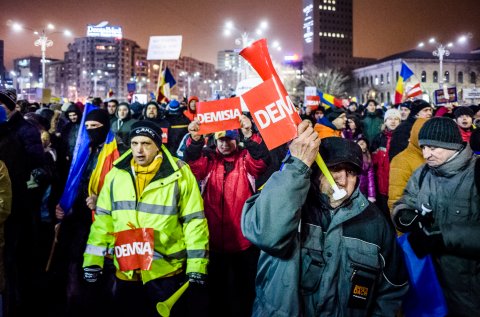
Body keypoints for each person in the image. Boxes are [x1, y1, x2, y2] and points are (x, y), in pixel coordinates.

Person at [241, 126, 408, 316]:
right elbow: (265, 232)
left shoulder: (375, 222)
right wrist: (297, 166)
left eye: (351, 172)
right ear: (316, 171)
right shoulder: (292, 205)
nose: (343, 180)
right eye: (335, 169)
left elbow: (392, 289)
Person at [83, 120, 209, 317]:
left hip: (164, 271)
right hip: (126, 270)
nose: (139, 150)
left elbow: (194, 222)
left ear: (158, 145)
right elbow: (103, 221)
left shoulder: (180, 173)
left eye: (146, 144)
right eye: (134, 143)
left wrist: (196, 265)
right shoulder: (116, 174)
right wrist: (93, 260)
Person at [392, 117, 480, 315]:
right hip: (428, 283)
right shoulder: (422, 173)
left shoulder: (476, 173)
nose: (426, 154)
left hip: (469, 290)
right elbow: (404, 201)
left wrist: (441, 236)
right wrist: (403, 214)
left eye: (433, 147)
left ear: (452, 145)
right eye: (423, 148)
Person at [185, 115, 269, 317]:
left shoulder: (244, 159)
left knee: (244, 290)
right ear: (215, 139)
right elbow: (193, 163)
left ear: (236, 139)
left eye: (229, 139)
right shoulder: (208, 160)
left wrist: (250, 134)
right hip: (213, 241)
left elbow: (260, 161)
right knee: (216, 292)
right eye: (221, 139)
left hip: (243, 240)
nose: (225, 144)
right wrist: (195, 140)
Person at [53, 109, 115, 317]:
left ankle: (98, 304)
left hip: (102, 218)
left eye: (95, 128)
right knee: (75, 259)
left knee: (100, 265)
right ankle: (76, 302)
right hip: (79, 215)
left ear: (105, 127)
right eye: (87, 128)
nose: (91, 132)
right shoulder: (85, 149)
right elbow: (74, 178)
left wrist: (101, 200)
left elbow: (123, 188)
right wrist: (65, 203)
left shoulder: (116, 151)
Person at [388, 118, 428, 212]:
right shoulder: (401, 160)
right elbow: (396, 200)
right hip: (414, 221)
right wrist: (403, 224)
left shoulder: (435, 157)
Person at [370, 108, 401, 217]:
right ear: (385, 121)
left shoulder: (403, 138)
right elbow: (372, 164)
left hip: (397, 184)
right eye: (390, 119)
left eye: (396, 119)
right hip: (381, 185)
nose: (393, 121)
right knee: (384, 214)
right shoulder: (378, 138)